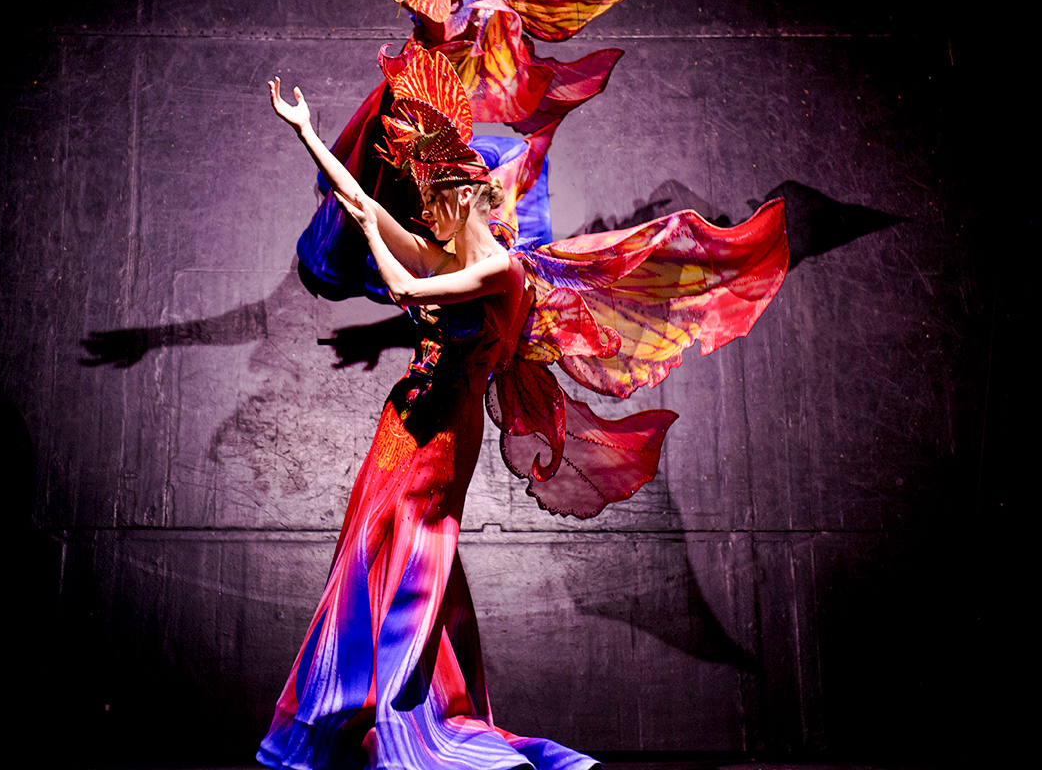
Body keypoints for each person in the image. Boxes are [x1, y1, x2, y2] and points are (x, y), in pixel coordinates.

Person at [258, 44, 790, 768]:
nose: (424, 211)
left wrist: (397, 255)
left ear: (465, 195)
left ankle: (412, 722)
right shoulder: (434, 248)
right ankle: (362, 710)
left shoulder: (499, 271)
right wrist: (306, 129)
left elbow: (410, 294)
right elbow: (357, 201)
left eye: (434, 199)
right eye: (421, 201)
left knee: (415, 557)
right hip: (401, 419)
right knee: (371, 552)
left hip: (444, 433)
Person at [286, 0, 715, 303]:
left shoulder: (435, 8)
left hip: (420, 103)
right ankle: (416, 235)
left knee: (398, 178)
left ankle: (406, 247)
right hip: (432, 92)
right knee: (404, 175)